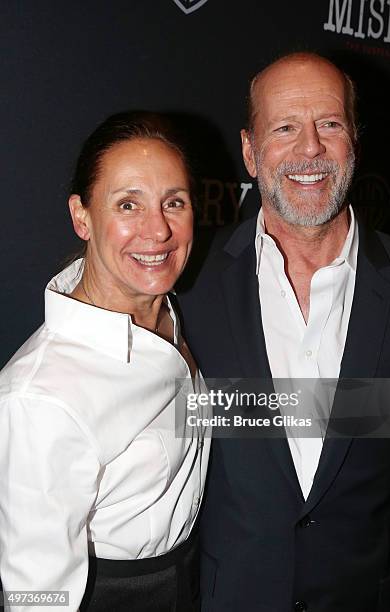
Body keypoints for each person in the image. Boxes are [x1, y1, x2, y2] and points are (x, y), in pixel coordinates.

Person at [177, 53, 390, 611]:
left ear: (354, 141)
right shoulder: (190, 282)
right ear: (249, 150)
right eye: (285, 127)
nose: (309, 148)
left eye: (330, 124)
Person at [0, 111, 210, 612]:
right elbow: (36, 598)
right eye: (128, 204)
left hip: (197, 577)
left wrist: (382, 410)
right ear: (82, 216)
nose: (157, 230)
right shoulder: (40, 398)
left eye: (173, 202)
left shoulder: (167, 306)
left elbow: (195, 412)